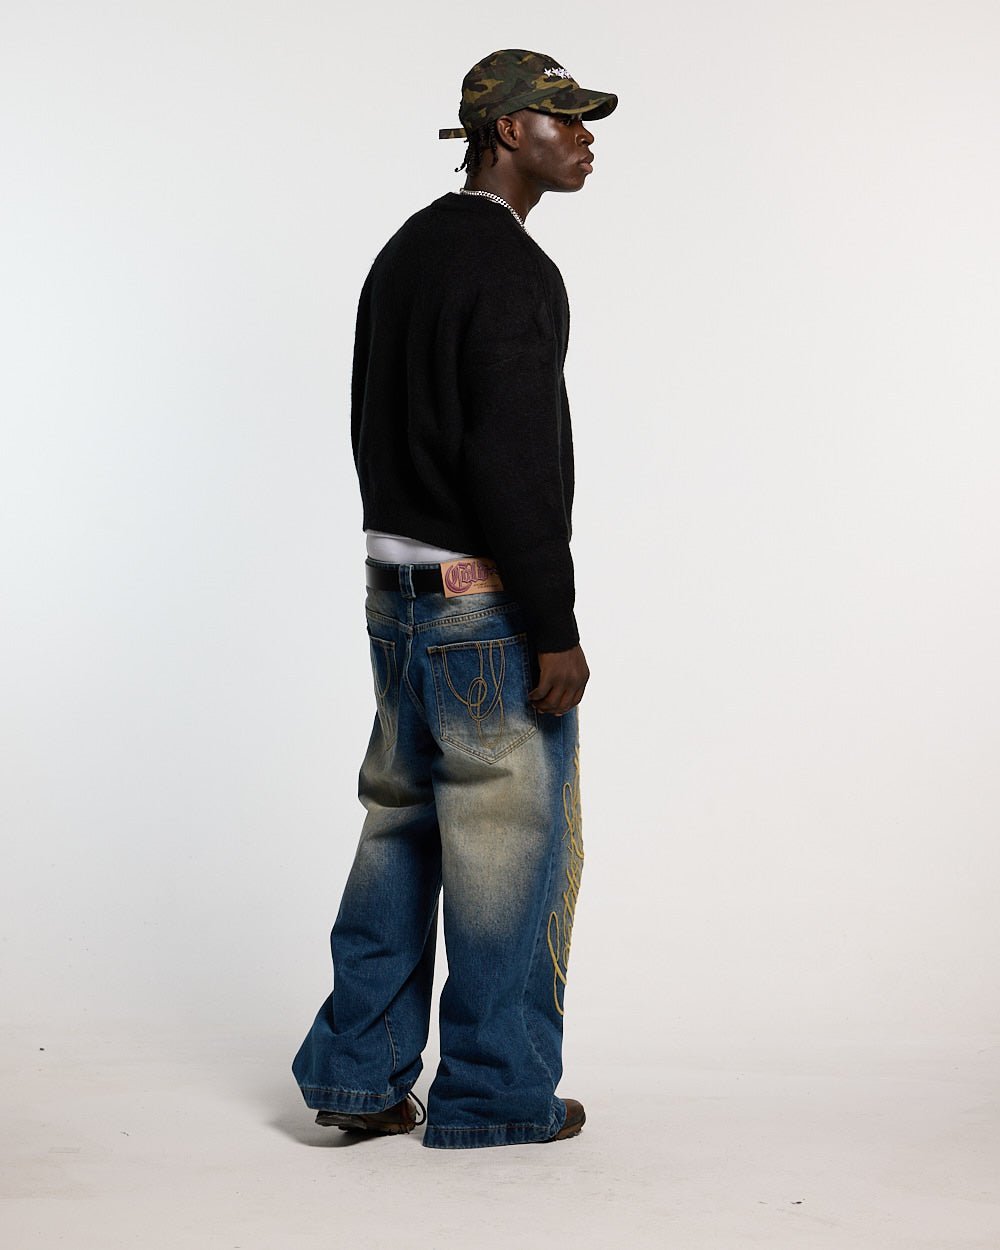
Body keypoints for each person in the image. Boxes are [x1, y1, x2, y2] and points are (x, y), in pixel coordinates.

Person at [291, 48, 617, 1149]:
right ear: (506, 129)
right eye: (564, 117)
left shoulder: (406, 251)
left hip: (394, 593)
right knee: (512, 848)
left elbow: (374, 423)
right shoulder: (512, 269)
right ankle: (495, 1093)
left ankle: (357, 1076)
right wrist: (554, 625)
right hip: (482, 607)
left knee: (401, 827)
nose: (584, 137)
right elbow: (510, 461)